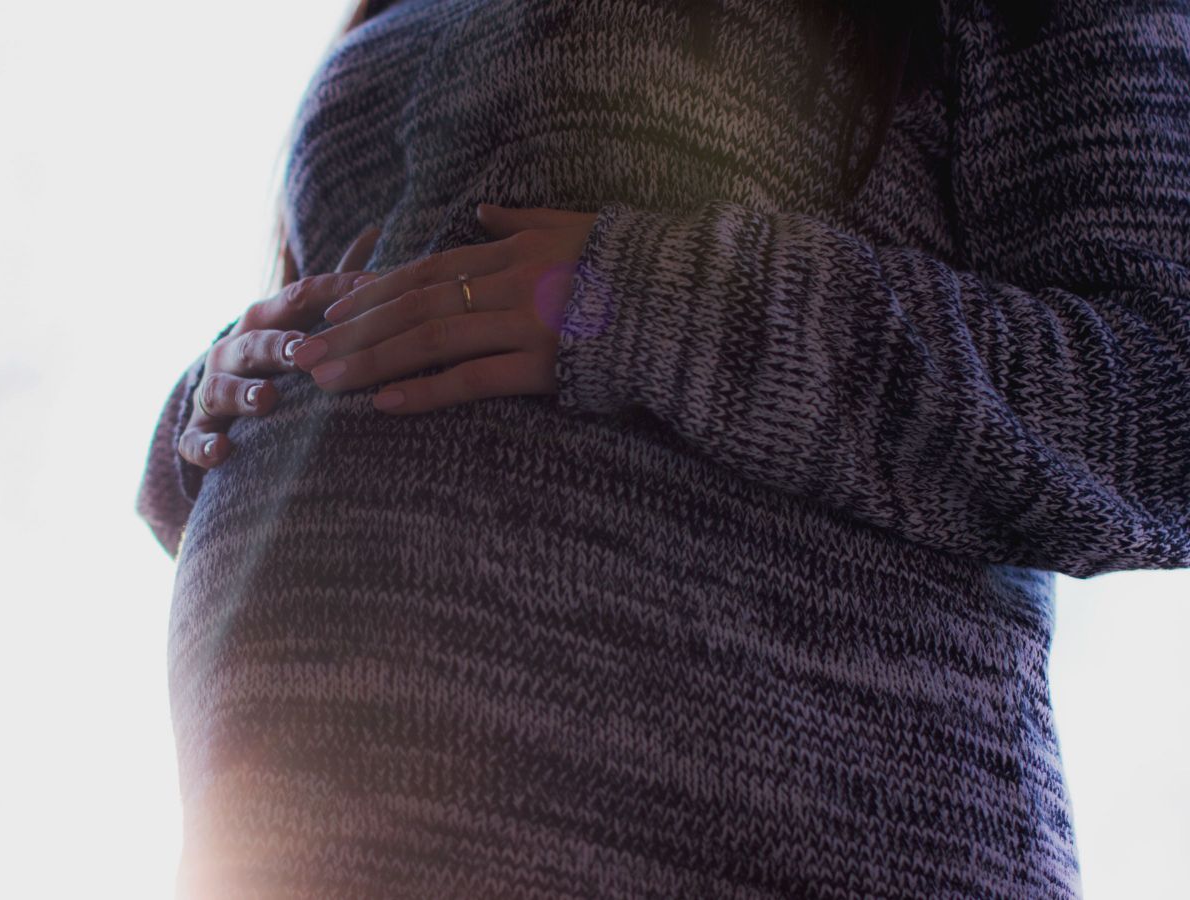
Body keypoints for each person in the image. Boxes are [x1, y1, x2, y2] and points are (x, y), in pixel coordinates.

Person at [136, 0, 1190, 895]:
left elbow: (1159, 409)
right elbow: (391, 294)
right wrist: (221, 393)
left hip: (780, 830)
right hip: (314, 827)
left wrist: (630, 302)